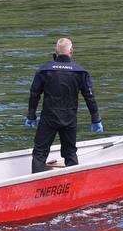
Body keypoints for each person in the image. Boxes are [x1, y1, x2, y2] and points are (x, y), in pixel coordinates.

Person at [25, 37, 103, 173]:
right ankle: (74, 186)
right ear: (71, 51)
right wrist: (95, 119)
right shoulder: (80, 72)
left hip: (48, 118)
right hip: (69, 119)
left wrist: (31, 116)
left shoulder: (44, 70)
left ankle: (36, 187)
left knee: (39, 153)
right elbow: (89, 97)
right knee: (70, 153)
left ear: (55, 51)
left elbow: (34, 94)